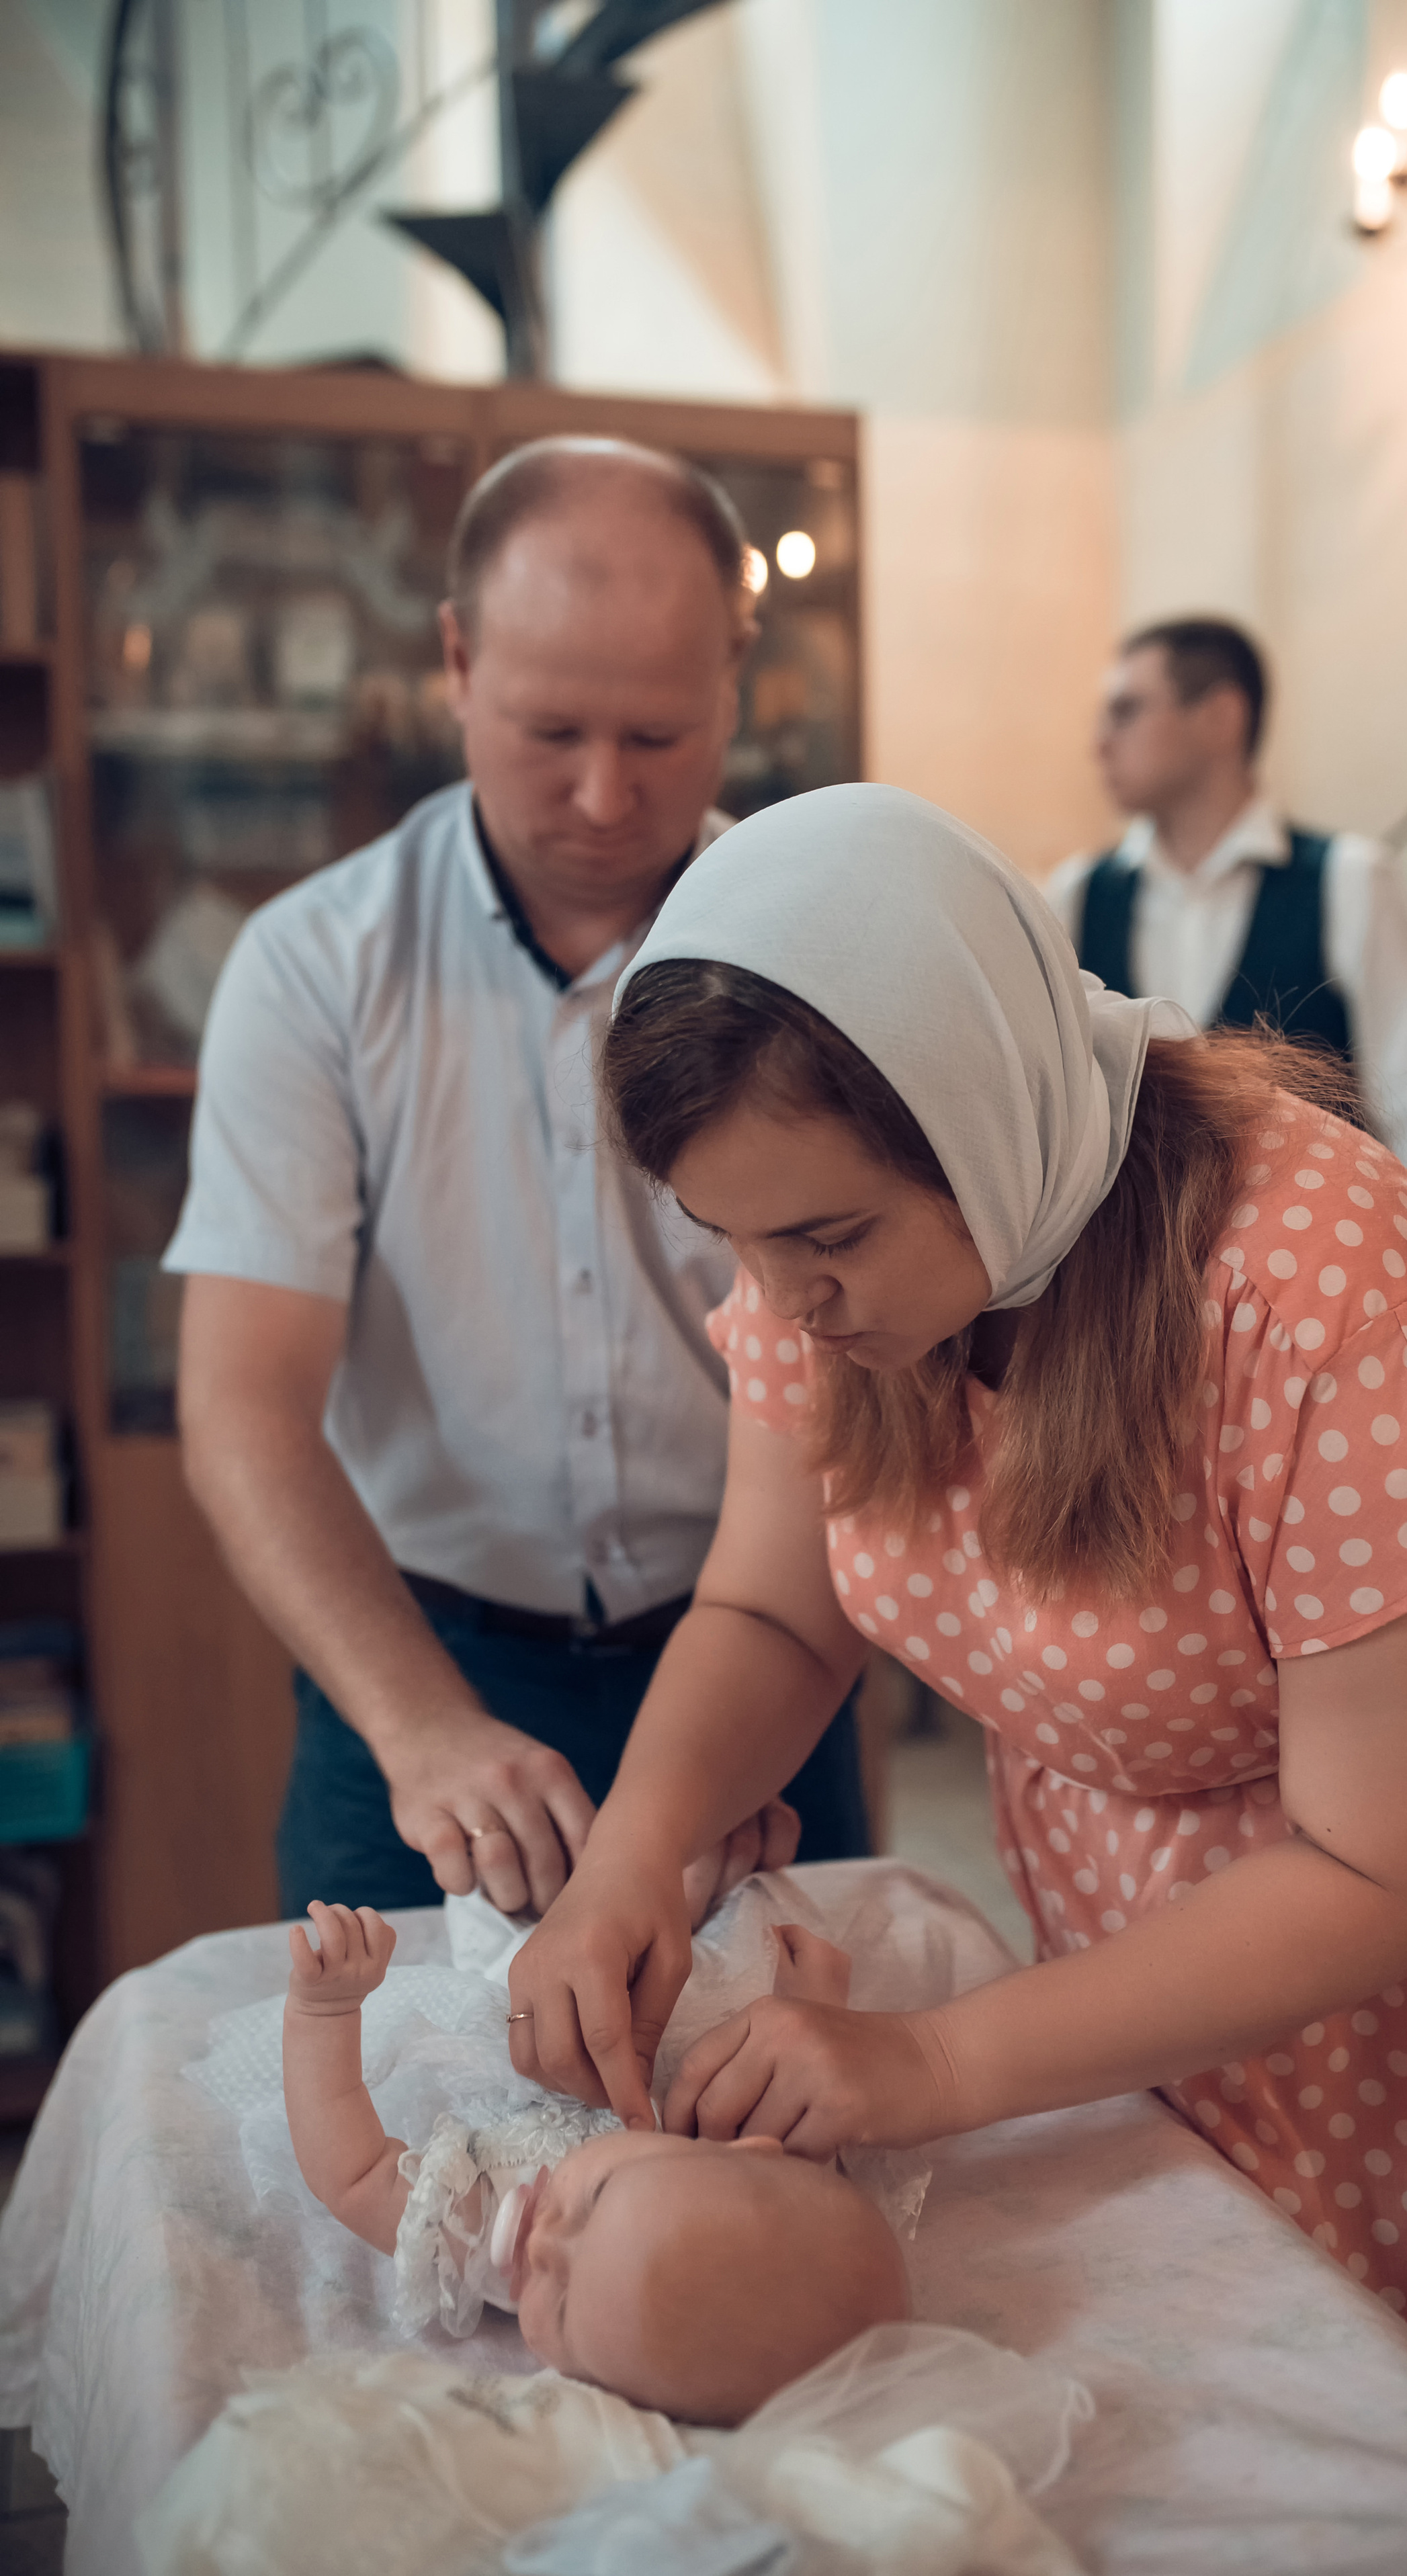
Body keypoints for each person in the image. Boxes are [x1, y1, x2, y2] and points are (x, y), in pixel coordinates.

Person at [502, 785, 1407, 2557]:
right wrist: (633, 1854)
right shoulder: (809, 1255)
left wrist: (933, 2066)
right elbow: (777, 1612)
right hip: (1142, 1913)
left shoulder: (1308, 1278)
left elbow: (1393, 1859)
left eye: (828, 1245)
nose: (783, 1302)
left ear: (983, 1120)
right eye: (733, 1246)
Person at [167, 437, 868, 1924]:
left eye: (661, 737)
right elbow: (243, 1405)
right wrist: (419, 1728)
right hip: (422, 1661)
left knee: (780, 2126)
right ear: (456, 659)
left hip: (770, 1634)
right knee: (384, 2133)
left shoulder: (829, 951)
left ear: (735, 676)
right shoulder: (313, 968)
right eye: (552, 730)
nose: (607, 796)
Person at [282, 1897, 908, 2423]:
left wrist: (325, 2012)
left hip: (502, 2006)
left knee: (485, 1908)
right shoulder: (742, 2201)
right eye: (596, 2198)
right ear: (749, 2153)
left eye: (559, 2307)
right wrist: (815, 2009)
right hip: (640, 1977)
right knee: (727, 1913)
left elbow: (356, 2176)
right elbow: (803, 2145)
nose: (544, 2242)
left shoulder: (483, 2233)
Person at [1043, 617, 1407, 1273]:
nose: (1099, 744)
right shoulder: (1076, 898)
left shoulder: (1349, 880)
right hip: (1127, 1314)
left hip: (1319, 1295)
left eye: (1126, 710)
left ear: (1220, 717)